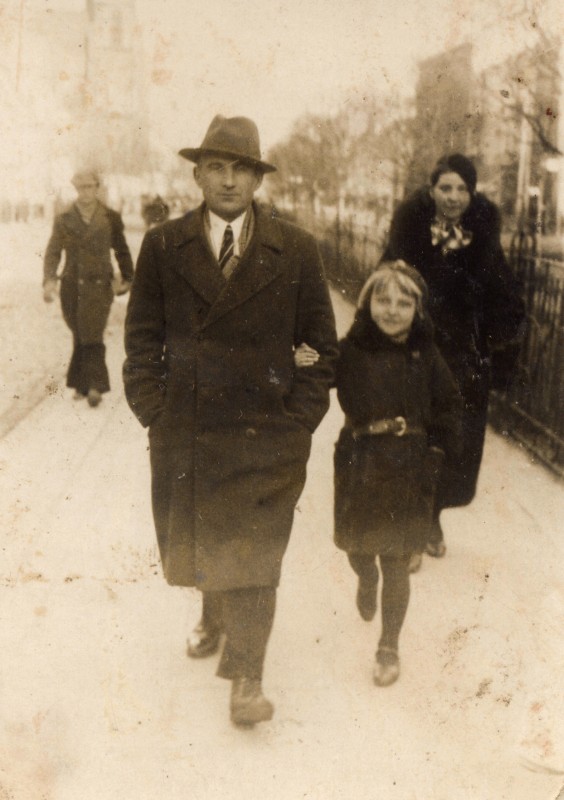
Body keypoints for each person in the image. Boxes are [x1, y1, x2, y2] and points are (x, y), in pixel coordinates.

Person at [123, 115, 338, 727]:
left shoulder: (295, 248)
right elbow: (141, 341)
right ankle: (212, 614)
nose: (228, 180)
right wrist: (155, 412)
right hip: (187, 431)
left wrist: (298, 422)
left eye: (240, 168)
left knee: (258, 555)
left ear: (258, 179)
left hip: (267, 436)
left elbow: (321, 348)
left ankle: (248, 679)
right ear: (196, 175)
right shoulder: (163, 245)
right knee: (206, 546)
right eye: (215, 167)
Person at [381, 154, 524, 566]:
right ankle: (412, 529)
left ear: (472, 194)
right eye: (446, 188)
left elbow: (509, 303)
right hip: (414, 360)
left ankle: (433, 516)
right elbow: (380, 289)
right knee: (412, 441)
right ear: (431, 191)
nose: (454, 197)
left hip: (462, 367)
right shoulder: (408, 237)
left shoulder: (483, 243)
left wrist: (492, 347)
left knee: (453, 448)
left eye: (463, 189)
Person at [332, 261, 462, 685]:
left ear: (418, 310)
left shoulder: (425, 355)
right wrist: (302, 358)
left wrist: (439, 451)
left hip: (408, 466)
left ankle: (389, 645)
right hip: (359, 462)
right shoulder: (350, 349)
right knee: (357, 550)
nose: (391, 310)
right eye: (382, 300)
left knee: (396, 560)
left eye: (403, 303)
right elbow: (315, 377)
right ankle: (364, 579)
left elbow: (449, 405)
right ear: (367, 302)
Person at [43, 169, 133, 407]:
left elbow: (121, 249)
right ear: (76, 190)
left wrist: (128, 277)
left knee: (92, 332)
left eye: (90, 187)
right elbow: (53, 251)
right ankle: (80, 383)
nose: (86, 192)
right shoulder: (63, 219)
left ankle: (95, 386)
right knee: (79, 331)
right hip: (71, 286)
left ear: (97, 188)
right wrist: (49, 280)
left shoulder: (110, 217)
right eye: (81, 188)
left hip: (99, 286)